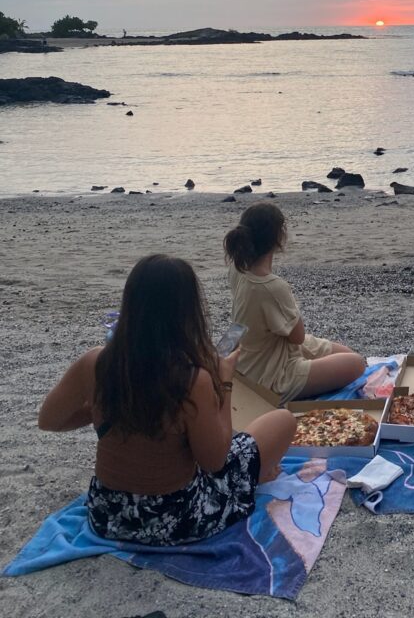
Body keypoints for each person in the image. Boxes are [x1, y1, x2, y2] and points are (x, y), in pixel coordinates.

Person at [38, 255, 296, 546]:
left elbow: (49, 420)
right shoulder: (191, 379)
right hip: (175, 520)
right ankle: (261, 475)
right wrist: (223, 382)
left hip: (107, 514)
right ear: (187, 312)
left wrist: (114, 402)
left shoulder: (96, 363)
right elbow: (213, 461)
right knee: (282, 420)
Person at [225, 203, 365, 401]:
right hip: (269, 373)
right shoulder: (271, 286)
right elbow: (297, 337)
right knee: (356, 363)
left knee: (346, 353)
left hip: (268, 348)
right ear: (278, 238)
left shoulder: (237, 268)